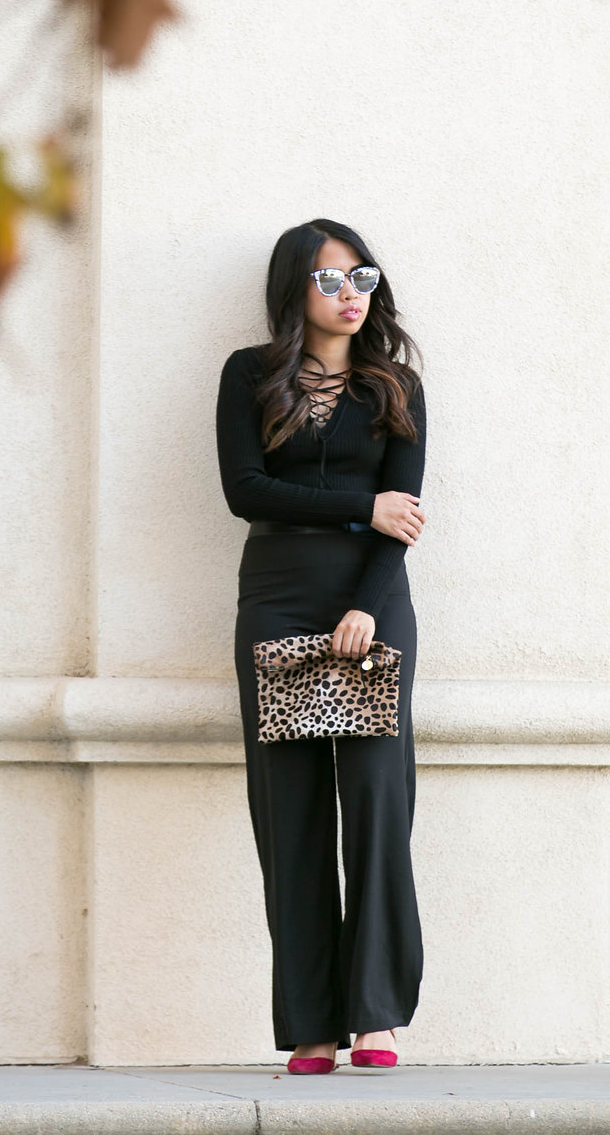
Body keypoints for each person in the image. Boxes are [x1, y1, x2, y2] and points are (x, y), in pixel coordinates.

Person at [215, 216, 427, 1075]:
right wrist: (358, 506)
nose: (349, 295)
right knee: (290, 812)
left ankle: (375, 1017)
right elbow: (245, 490)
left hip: (372, 603)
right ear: (294, 288)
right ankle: (312, 1023)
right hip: (277, 598)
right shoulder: (249, 375)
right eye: (331, 279)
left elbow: (403, 517)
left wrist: (367, 606)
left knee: (377, 802)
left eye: (361, 278)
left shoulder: (395, 386)